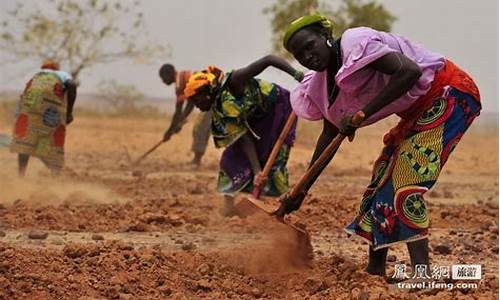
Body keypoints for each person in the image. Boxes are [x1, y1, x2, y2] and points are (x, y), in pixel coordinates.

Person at [277, 14, 481, 277]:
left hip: (449, 92)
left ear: (325, 37)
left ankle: (423, 274)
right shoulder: (320, 85)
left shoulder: (355, 43)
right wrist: (300, 191)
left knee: (404, 182)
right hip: (414, 113)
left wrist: (364, 112)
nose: (307, 56)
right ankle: (375, 269)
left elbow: (410, 71)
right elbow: (328, 136)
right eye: (299, 54)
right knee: (379, 183)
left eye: (309, 45)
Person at [183, 56, 304, 216]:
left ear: (206, 92)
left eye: (195, 100)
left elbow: (268, 60)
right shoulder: (219, 108)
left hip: (279, 110)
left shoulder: (235, 81)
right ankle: (229, 209)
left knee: (273, 159)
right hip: (255, 119)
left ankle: (283, 211)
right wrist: (257, 171)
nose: (196, 106)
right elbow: (243, 138)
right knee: (231, 157)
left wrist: (298, 76)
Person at [10, 59, 78, 176]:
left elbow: (24, 96)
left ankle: (21, 175)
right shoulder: (60, 74)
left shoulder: (36, 76)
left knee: (26, 140)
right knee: (52, 137)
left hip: (30, 108)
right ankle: (55, 174)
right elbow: (71, 84)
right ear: (56, 68)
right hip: (50, 111)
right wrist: (69, 112)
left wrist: (19, 116)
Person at [158, 63, 212, 167]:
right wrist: (171, 130)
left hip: (212, 100)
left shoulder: (183, 80)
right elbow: (178, 111)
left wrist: (177, 125)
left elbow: (190, 105)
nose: (163, 81)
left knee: (200, 128)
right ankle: (197, 159)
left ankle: (196, 162)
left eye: (163, 78)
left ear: (169, 74)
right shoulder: (180, 83)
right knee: (203, 128)